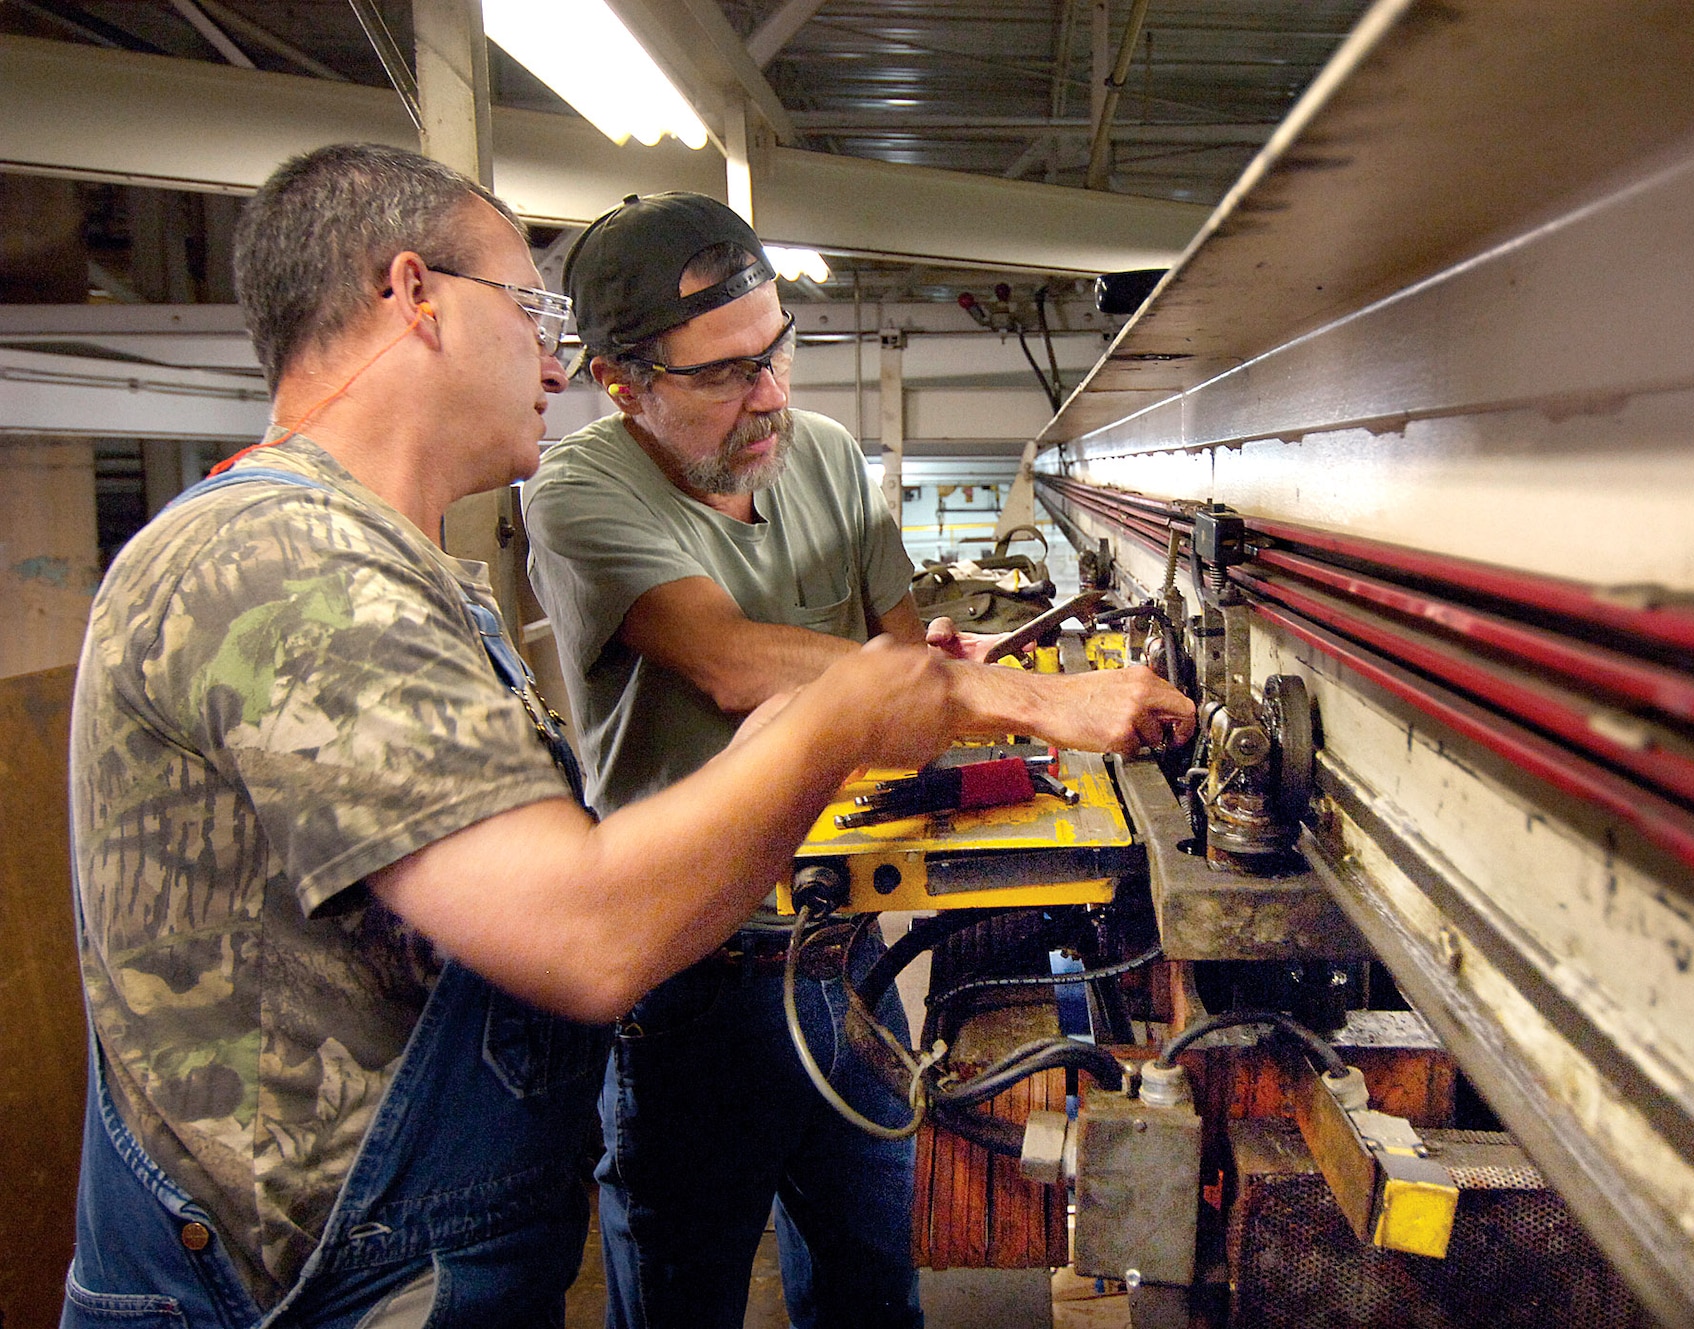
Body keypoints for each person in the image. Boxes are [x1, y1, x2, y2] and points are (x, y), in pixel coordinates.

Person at [60, 143, 1079, 1329]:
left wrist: (855, 703)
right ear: (414, 295)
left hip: (399, 1254)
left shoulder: (395, 570)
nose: (553, 362)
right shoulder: (288, 566)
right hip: (318, 1284)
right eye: (531, 312)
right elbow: (589, 934)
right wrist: (856, 704)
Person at [519, 192, 1194, 1329]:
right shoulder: (578, 494)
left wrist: (958, 669)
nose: (771, 395)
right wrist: (1031, 702)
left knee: (873, 1284)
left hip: (842, 950)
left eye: (776, 351)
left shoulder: (822, 456)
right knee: (684, 1293)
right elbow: (732, 664)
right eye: (725, 373)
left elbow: (892, 663)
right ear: (620, 382)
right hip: (692, 974)